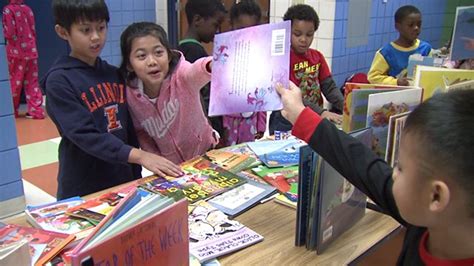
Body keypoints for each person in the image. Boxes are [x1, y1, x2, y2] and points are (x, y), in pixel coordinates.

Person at [276, 81, 474, 264]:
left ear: (436, 196)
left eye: (400, 167)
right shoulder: (432, 217)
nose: (392, 173)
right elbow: (363, 164)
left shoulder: (422, 215)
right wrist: (301, 116)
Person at [42, 0, 181, 200]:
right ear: (63, 32)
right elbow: (85, 135)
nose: (96, 37)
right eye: (85, 30)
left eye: (101, 27)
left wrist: (135, 173)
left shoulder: (113, 73)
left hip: (122, 178)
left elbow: (128, 128)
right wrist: (140, 156)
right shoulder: (59, 81)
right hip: (84, 185)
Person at [120, 22, 219, 164]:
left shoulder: (181, 75)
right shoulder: (130, 97)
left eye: (158, 52)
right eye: (142, 56)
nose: (152, 61)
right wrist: (156, 157)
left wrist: (210, 65)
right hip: (172, 167)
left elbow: (195, 71)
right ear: (129, 64)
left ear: (168, 54)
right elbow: (141, 132)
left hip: (207, 152)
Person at [270, 4, 344, 134]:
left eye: (309, 34)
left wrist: (347, 108)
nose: (303, 39)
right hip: (286, 120)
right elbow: (290, 96)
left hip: (313, 118)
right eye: (297, 34)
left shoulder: (317, 57)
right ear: (288, 32)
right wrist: (321, 112)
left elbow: (329, 87)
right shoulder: (281, 60)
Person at [178, 0, 226, 144]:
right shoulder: (194, 51)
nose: (217, 31)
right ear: (197, 20)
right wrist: (210, 127)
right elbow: (201, 94)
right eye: (215, 25)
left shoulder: (181, 48)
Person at [221, 0, 266, 146]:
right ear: (231, 26)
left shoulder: (260, 56)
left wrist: (261, 124)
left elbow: (263, 92)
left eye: (251, 29)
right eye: (241, 29)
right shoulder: (223, 55)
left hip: (250, 121)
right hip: (227, 121)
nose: (246, 34)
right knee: (227, 157)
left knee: (247, 155)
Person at [368, 5, 432, 86]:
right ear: (398, 26)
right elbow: (373, 77)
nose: (416, 28)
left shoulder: (426, 49)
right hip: (395, 96)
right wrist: (396, 82)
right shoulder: (386, 52)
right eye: (410, 25)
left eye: (419, 24)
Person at [2, 0, 44, 119]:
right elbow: (33, 30)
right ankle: (36, 111)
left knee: (14, 82)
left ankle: (12, 111)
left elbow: (9, 32)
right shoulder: (28, 9)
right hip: (31, 50)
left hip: (15, 52)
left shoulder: (8, 10)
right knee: (32, 82)